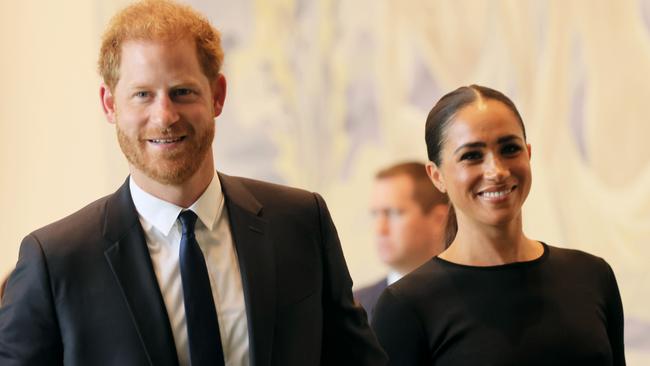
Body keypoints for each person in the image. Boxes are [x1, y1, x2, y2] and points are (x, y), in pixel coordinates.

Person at [0, 1, 387, 365]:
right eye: (142, 95)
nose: (165, 115)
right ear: (109, 105)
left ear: (217, 95)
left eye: (182, 92)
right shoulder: (56, 261)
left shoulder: (302, 222)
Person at [372, 85, 625, 365]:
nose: (497, 171)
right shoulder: (407, 306)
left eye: (509, 149)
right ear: (437, 176)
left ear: (528, 154)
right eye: (472, 156)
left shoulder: (591, 276)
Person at [355, 162, 447, 321]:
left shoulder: (471, 296)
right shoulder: (354, 307)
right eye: (375, 215)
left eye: (393, 213)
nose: (380, 229)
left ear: (439, 219)